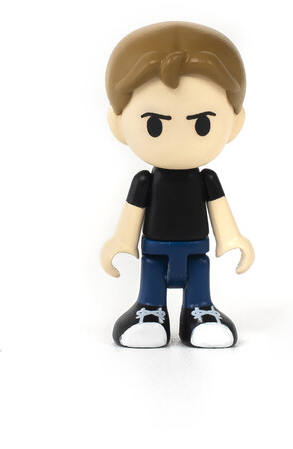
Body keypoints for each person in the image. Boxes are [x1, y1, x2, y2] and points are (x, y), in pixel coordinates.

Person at [100, 22, 254, 349]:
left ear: (235, 123)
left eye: (202, 123)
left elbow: (219, 211)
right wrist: (121, 241)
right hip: (154, 250)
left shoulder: (206, 180)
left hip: (196, 249)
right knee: (152, 276)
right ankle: (150, 311)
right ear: (118, 124)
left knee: (199, 274)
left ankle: (199, 311)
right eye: (154, 125)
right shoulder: (145, 182)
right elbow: (132, 214)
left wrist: (232, 238)